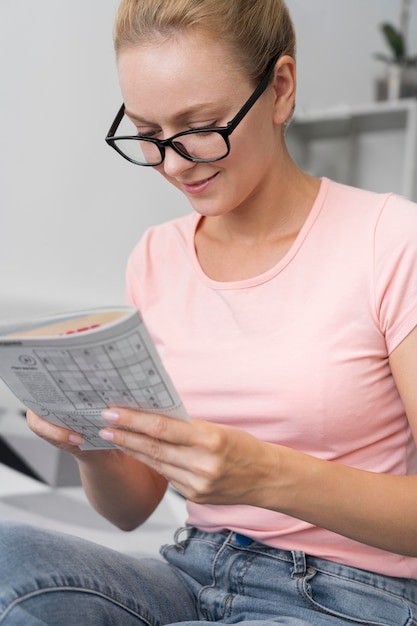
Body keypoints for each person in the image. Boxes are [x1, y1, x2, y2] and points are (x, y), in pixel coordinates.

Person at [1, 0, 417, 623]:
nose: (172, 163)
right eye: (147, 135)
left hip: (353, 594)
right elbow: (131, 509)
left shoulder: (391, 238)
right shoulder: (156, 256)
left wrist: (263, 473)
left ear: (280, 90)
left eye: (200, 127)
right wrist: (88, 445)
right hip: (195, 570)